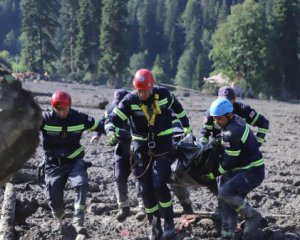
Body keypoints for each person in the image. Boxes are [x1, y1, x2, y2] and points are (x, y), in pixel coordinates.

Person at [106, 69, 193, 239]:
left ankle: (168, 224)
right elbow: (111, 120)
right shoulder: (130, 100)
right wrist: (111, 132)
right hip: (140, 149)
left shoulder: (165, 95)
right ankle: (155, 226)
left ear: (151, 87)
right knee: (145, 190)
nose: (142, 94)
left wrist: (187, 127)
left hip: (163, 146)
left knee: (159, 185)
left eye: (145, 91)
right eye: (139, 91)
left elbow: (179, 109)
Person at [40, 90, 105, 234]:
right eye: (58, 110)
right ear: (53, 108)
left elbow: (100, 125)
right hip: (53, 164)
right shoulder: (44, 119)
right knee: (54, 200)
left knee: (81, 183)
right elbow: (25, 129)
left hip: (74, 160)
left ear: (70, 106)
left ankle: (78, 220)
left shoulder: (79, 118)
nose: (62, 113)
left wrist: (104, 133)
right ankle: (61, 217)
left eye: (64, 109)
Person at [207, 98, 265, 240]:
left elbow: (228, 162)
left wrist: (213, 174)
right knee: (226, 201)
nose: (216, 123)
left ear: (229, 115)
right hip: (241, 169)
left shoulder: (231, 133)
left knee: (225, 191)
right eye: (214, 119)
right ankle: (228, 236)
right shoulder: (235, 120)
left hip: (252, 171)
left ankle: (252, 215)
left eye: (219, 119)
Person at [199, 86, 269, 146]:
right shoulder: (211, 112)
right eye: (221, 100)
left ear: (234, 99)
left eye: (227, 101)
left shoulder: (243, 109)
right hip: (219, 146)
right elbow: (204, 133)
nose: (223, 104)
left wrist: (257, 142)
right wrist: (203, 144)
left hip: (240, 146)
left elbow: (263, 123)